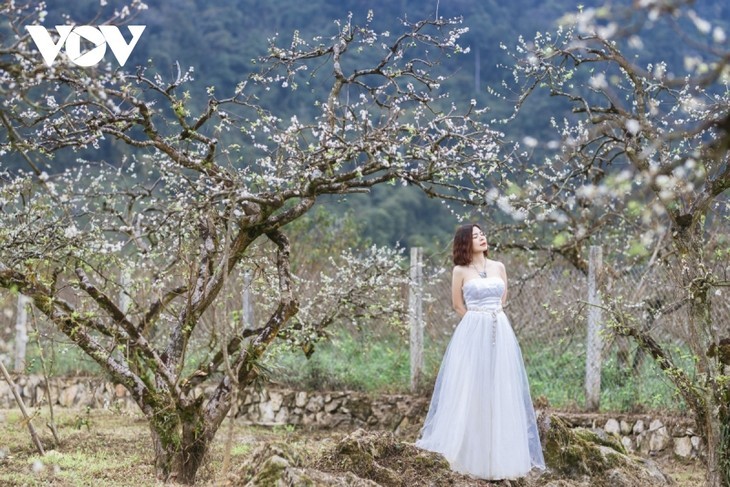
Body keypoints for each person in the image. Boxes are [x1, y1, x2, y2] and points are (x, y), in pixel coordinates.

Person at [415, 223, 545, 480]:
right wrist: (477, 321)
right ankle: (467, 455)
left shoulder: (499, 267)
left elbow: (503, 298)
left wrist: (493, 317)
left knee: (501, 387)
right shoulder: (460, 271)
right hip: (473, 330)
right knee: (471, 388)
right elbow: (457, 305)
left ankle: (500, 458)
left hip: (501, 328)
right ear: (465, 242)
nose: (482, 238)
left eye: (482, 234)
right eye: (475, 236)